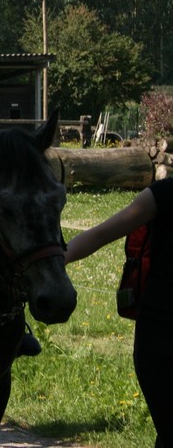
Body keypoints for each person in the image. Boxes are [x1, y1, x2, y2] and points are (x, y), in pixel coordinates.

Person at [65, 181, 173, 447]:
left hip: (158, 335)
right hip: (161, 337)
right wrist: (52, 261)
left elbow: (99, 235)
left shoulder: (163, 194)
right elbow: (99, 235)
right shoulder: (163, 195)